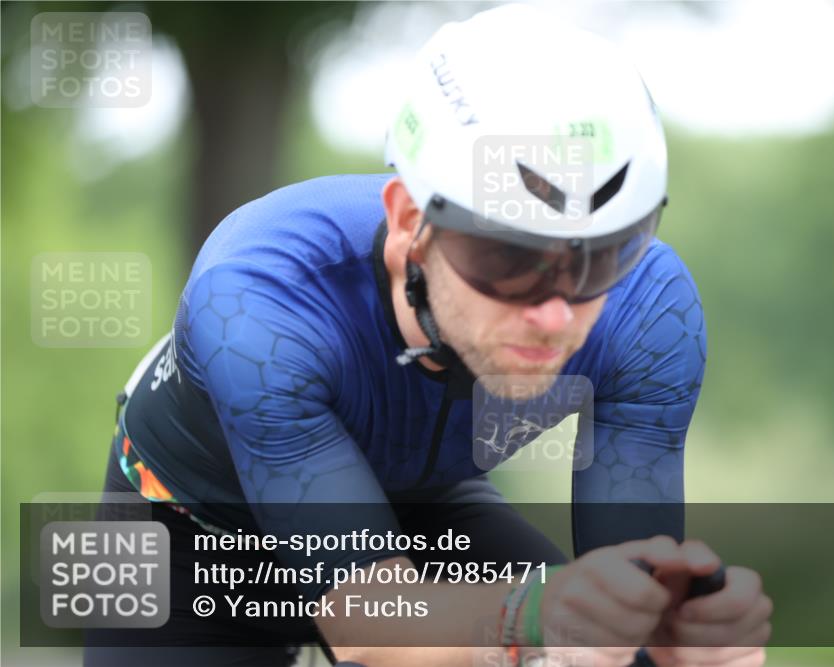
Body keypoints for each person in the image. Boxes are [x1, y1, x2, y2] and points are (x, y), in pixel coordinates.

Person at [84, 4, 770, 667]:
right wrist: (535, 619)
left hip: (428, 508)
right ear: (410, 223)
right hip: (192, 529)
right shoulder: (256, 302)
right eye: (507, 258)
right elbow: (376, 632)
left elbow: (631, 614)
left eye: (602, 256)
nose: (555, 313)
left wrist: (680, 642)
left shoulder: (650, 310)